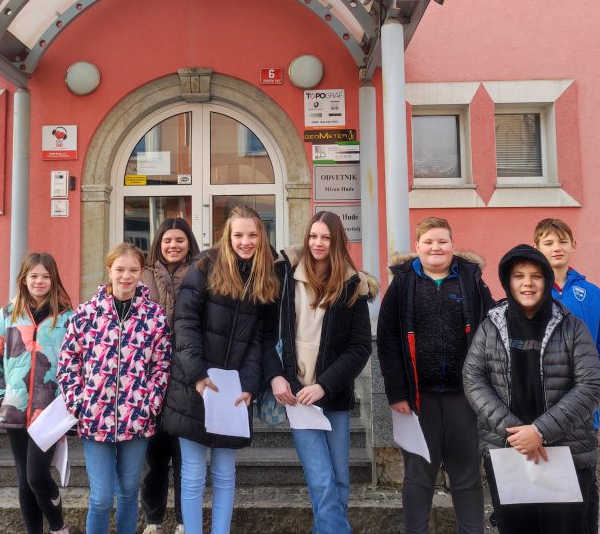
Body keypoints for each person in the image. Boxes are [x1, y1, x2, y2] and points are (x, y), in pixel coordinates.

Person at [463, 244, 600, 534]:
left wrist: (539, 431)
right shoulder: (490, 326)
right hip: (508, 451)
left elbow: (590, 386)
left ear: (547, 281)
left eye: (536, 276)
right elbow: (473, 379)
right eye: (519, 276)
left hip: (565, 452)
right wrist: (517, 433)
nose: (527, 283)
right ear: (508, 281)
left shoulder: (572, 327)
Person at [160, 205, 279, 534]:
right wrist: (198, 374)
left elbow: (260, 337)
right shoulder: (204, 266)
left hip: (234, 391)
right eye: (239, 234)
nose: (246, 241)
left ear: (261, 236)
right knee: (193, 475)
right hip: (194, 385)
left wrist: (252, 385)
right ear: (227, 235)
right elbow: (184, 324)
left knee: (226, 474)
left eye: (252, 234)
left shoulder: (264, 274)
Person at [376, 216, 494, 534]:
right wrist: (397, 393)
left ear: (452, 245)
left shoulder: (471, 281)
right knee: (418, 476)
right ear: (417, 247)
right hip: (418, 400)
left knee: (467, 476)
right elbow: (387, 341)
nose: (435, 247)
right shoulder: (402, 284)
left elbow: (492, 333)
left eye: (442, 241)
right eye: (428, 242)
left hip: (465, 399)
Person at [264, 211, 376, 534]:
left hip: (334, 397)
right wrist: (277, 376)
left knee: (340, 482)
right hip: (298, 398)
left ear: (337, 241)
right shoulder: (285, 276)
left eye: (325, 237)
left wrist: (324, 385)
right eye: (313, 236)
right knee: (323, 481)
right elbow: (268, 335)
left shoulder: (353, 285)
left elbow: (360, 348)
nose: (318, 243)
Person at [56, 243, 172, 534]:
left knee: (129, 493)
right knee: (101, 497)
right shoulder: (86, 314)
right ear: (109, 270)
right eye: (120, 269)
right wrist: (78, 402)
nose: (126, 276)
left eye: (133, 270)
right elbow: (68, 360)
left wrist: (150, 402)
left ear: (141, 272)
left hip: (137, 418)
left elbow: (162, 365)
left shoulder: (154, 316)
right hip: (95, 419)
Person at [0, 252, 74, 534]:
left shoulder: (68, 318)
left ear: (53, 280)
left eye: (45, 276)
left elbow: (80, 362)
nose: (39, 281)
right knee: (24, 479)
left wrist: (70, 401)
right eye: (33, 276)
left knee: (37, 476)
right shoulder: (8, 315)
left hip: (51, 410)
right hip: (15, 408)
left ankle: (58, 527)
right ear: (23, 279)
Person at [534, 218, 600, 534]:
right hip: (539, 409)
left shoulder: (592, 294)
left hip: (582, 409)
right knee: (542, 487)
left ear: (573, 246)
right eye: (548, 242)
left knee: (583, 487)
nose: (556, 248)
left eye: (562, 241)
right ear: (537, 249)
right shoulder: (528, 291)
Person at [140, 218, 201, 534]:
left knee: (185, 456)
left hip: (188, 375)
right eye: (168, 240)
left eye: (180, 240)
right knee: (155, 456)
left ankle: (183, 520)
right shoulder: (143, 276)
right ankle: (153, 519)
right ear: (159, 244)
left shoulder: (203, 274)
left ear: (189, 242)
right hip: (152, 376)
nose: (173, 245)